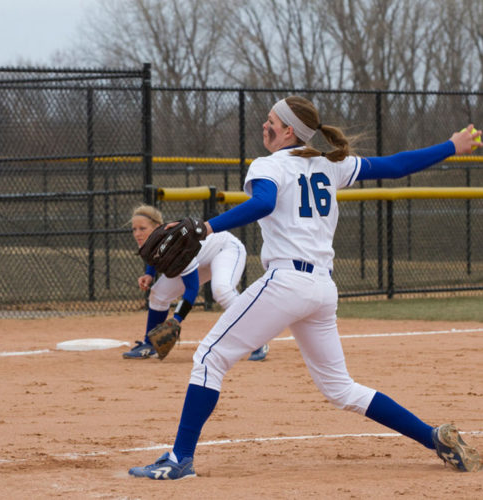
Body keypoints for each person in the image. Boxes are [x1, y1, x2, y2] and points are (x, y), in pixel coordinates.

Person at [128, 96, 482, 479]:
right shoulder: (332, 164)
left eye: (271, 122)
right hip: (322, 288)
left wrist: (210, 227)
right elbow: (395, 166)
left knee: (209, 357)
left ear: (288, 131)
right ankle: (434, 438)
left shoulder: (270, 164)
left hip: (288, 282)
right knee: (340, 388)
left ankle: (180, 459)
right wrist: (452, 147)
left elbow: (264, 202)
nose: (265, 127)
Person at [123, 204, 269, 361]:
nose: (137, 233)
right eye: (134, 229)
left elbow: (192, 289)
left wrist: (177, 319)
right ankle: (149, 345)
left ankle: (258, 339)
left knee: (222, 291)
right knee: (158, 294)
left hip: (224, 249)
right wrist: (149, 275)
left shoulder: (177, 245)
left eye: (142, 228)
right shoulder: (151, 242)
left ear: (158, 227)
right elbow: (154, 255)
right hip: (200, 259)